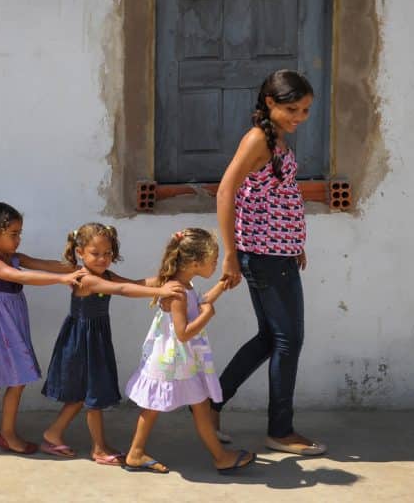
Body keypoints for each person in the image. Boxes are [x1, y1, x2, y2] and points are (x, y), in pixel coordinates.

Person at [212, 69, 327, 456]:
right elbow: (226, 190)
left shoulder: (274, 136)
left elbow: (276, 194)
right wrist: (229, 253)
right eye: (293, 108)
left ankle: (210, 405)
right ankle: (280, 430)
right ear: (270, 103)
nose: (300, 117)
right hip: (263, 255)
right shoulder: (258, 139)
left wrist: (294, 240)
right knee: (288, 340)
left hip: (276, 251)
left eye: (306, 110)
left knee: (270, 338)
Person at [40, 222, 185, 464]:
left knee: (80, 396)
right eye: (95, 254)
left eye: (107, 253)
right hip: (81, 342)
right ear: (80, 253)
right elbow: (122, 290)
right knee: (92, 395)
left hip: (94, 339)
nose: (103, 259)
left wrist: (167, 278)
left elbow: (135, 284)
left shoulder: (103, 274)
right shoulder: (86, 279)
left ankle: (52, 435)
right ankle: (99, 449)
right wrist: (161, 292)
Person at [123, 229, 254, 475]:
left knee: (165, 407)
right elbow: (183, 332)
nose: (216, 264)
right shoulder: (178, 291)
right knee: (192, 406)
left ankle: (136, 453)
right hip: (176, 362)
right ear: (195, 263)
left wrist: (221, 286)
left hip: (175, 361)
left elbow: (199, 301)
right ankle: (220, 457)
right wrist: (207, 315)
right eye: (213, 261)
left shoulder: (183, 285)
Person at [0, 202, 80, 455]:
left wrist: (75, 268)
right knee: (15, 379)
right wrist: (61, 279)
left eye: (20, 233)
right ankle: (6, 435)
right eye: (13, 234)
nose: (18, 239)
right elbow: (23, 277)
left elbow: (42, 265)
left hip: (12, 325)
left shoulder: (15, 258)